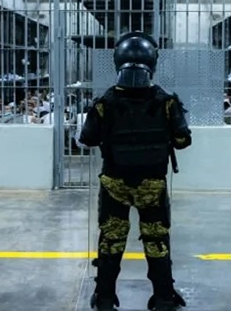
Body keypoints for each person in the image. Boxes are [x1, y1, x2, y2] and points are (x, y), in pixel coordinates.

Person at [79, 31, 192, 311]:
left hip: (114, 184)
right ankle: (164, 298)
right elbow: (182, 140)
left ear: (117, 61)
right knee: (156, 239)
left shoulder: (105, 103)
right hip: (152, 185)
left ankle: (105, 299)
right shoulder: (166, 102)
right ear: (152, 62)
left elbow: (87, 139)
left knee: (111, 240)